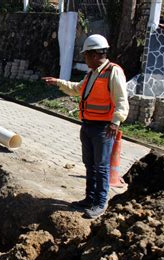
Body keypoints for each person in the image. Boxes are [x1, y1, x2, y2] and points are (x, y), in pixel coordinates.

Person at [42, 34, 129, 219]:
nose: (85, 59)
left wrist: (116, 121)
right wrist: (58, 82)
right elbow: (77, 89)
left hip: (104, 128)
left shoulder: (113, 72)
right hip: (88, 126)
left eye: (86, 55)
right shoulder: (92, 74)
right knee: (89, 165)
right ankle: (89, 199)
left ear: (96, 54)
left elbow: (122, 100)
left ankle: (99, 203)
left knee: (102, 167)